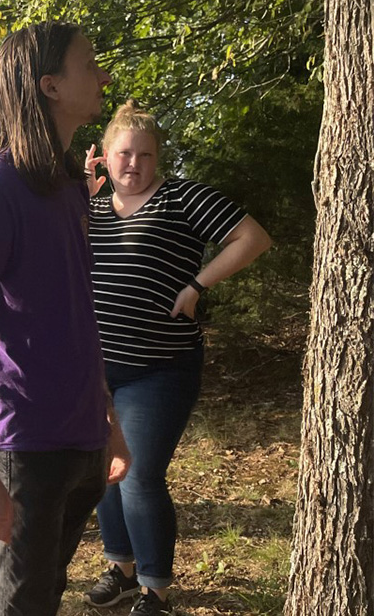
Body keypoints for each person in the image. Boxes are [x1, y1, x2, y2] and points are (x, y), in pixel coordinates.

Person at [0, 21, 131, 616]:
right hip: (24, 443)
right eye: (88, 65)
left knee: (44, 596)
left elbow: (76, 308)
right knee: (20, 606)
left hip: (81, 435)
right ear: (49, 85)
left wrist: (106, 413)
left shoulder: (70, 185)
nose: (102, 76)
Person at [82, 100, 272, 616]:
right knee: (103, 467)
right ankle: (120, 570)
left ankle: (154, 591)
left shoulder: (181, 198)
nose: (133, 164)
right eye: (124, 154)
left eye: (145, 155)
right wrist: (78, 192)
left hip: (160, 369)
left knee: (140, 473)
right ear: (105, 155)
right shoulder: (92, 206)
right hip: (98, 371)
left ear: (158, 158)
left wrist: (197, 283)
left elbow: (252, 237)